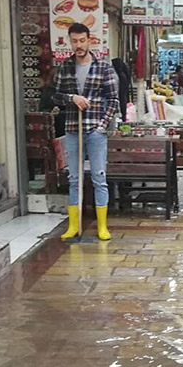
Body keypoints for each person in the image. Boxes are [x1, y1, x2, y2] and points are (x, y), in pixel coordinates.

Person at [52, 23, 119, 241]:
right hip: (73, 129)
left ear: (89, 40)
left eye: (82, 41)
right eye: (75, 41)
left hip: (95, 130)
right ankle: (73, 225)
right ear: (70, 41)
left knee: (99, 177)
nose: (78, 45)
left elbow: (113, 99)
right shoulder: (65, 67)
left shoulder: (104, 67)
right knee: (74, 178)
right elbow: (56, 96)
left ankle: (102, 226)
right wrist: (72, 98)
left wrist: (102, 125)